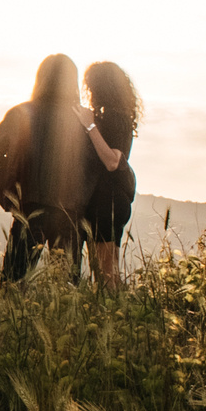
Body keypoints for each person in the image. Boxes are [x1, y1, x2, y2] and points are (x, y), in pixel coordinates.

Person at [0, 54, 91, 282]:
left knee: (13, 283)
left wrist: (9, 197)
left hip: (29, 210)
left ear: (40, 78)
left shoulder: (21, 114)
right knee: (66, 289)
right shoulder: (82, 119)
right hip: (69, 214)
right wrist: (83, 201)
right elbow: (93, 168)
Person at [78, 61, 143, 291]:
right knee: (110, 273)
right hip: (112, 200)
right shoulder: (118, 117)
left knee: (105, 275)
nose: (89, 91)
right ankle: (120, 309)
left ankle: (112, 310)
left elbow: (113, 161)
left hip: (107, 202)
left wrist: (89, 126)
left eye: (90, 86)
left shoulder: (115, 119)